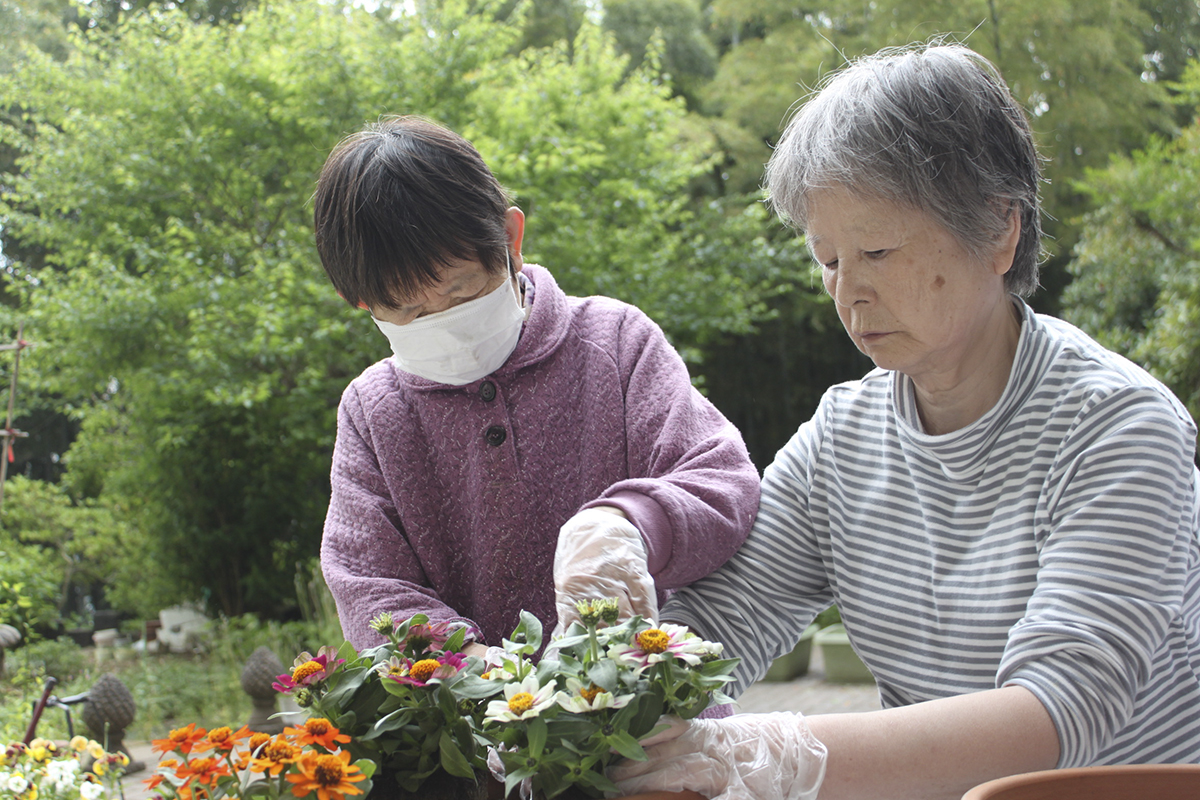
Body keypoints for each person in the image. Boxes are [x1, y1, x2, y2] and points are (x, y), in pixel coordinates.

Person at [611, 42, 1200, 800]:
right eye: (826, 259)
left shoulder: (1117, 425)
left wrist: (768, 750)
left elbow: (1058, 714)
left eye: (878, 250)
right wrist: (601, 692)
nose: (848, 293)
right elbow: (727, 617)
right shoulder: (841, 440)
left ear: (998, 229)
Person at [312, 116, 758, 659]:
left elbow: (721, 481)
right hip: (473, 730)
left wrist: (628, 525)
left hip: (654, 716)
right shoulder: (373, 411)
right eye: (408, 310)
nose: (444, 320)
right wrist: (467, 665)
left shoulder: (614, 343)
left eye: (462, 292)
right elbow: (366, 581)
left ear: (510, 240)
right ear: (357, 300)